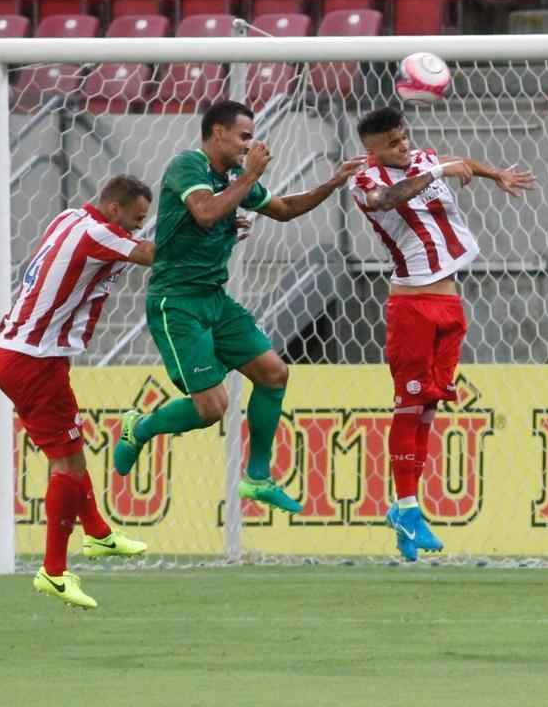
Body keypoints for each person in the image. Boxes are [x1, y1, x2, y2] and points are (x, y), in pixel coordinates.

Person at [112, 100, 363, 515]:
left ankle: (257, 478)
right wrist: (250, 177)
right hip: (177, 302)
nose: (250, 145)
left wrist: (333, 182)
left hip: (215, 298)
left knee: (273, 373)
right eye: (244, 136)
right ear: (218, 133)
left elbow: (284, 210)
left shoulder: (233, 178)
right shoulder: (187, 166)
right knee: (212, 408)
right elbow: (205, 212)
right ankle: (139, 428)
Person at [351, 106, 536, 561]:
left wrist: (496, 175)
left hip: (449, 304)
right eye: (393, 143)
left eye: (404, 137)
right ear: (373, 149)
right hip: (411, 305)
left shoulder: (422, 159)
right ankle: (407, 506)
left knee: (429, 407)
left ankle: (405, 515)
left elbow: (461, 163)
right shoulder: (366, 179)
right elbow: (385, 201)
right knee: (408, 405)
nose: (404, 146)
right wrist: (438, 170)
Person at [0, 175, 157, 609]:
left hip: (20, 352)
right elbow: (152, 255)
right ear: (115, 208)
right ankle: (54, 571)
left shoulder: (70, 217)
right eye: (136, 218)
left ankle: (98, 533)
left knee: (72, 454)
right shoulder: (101, 233)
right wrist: (212, 229)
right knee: (65, 464)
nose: (138, 227)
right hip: (32, 360)